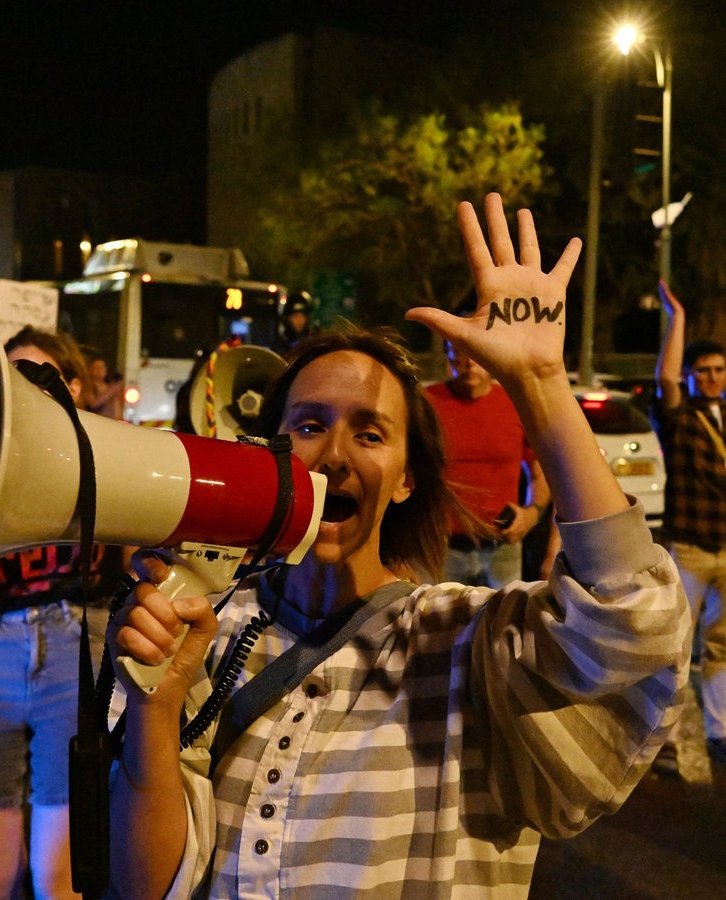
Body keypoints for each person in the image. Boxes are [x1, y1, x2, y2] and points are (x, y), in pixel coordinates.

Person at [105, 194, 691, 898]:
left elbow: (637, 622)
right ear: (271, 448)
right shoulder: (207, 635)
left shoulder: (466, 644)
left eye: (371, 432)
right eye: (310, 424)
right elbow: (147, 885)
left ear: (408, 478)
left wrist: (539, 385)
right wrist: (156, 708)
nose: (336, 455)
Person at [0, 325, 122, 899]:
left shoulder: (110, 456)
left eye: (39, 375)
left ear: (77, 387)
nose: (23, 390)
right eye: (11, 378)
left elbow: (132, 568)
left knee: (55, 880)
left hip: (75, 647)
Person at [650, 279, 726, 774]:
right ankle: (666, 741)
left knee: (721, 645)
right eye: (704, 371)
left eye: (719, 369)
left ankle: (720, 731)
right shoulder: (681, 419)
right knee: (676, 646)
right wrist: (677, 321)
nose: (713, 377)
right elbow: (666, 383)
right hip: (692, 546)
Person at [423, 335, 551, 587]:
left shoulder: (515, 402)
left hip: (502, 545)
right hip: (443, 548)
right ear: (448, 355)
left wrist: (531, 514)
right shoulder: (426, 403)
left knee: (503, 622)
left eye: (477, 353)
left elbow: (540, 469)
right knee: (440, 623)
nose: (469, 363)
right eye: (459, 353)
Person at [84, 348, 125, 420]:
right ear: (90, 370)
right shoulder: (88, 386)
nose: (100, 370)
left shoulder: (109, 385)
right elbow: (93, 404)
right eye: (96, 367)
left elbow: (119, 405)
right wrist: (113, 389)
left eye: (102, 367)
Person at [273, 291, 313, 355]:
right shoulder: (279, 345)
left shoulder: (312, 343)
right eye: (295, 317)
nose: (299, 321)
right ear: (287, 319)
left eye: (302, 316)